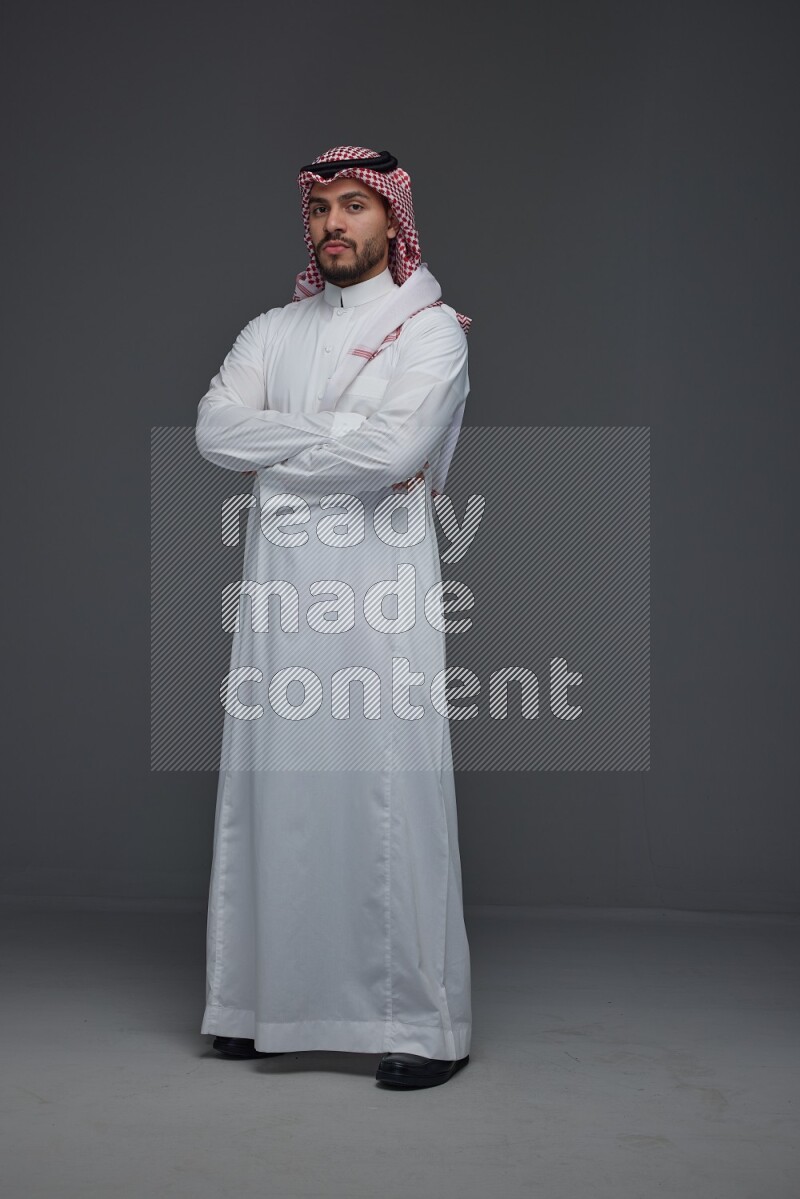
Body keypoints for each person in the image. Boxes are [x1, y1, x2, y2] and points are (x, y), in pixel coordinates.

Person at [194, 146, 473, 1089]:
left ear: (393, 218)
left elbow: (399, 450)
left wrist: (278, 462)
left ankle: (421, 1025)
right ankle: (253, 1007)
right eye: (320, 209)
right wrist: (342, 439)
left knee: (388, 792)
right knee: (273, 787)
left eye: (355, 205)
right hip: (280, 597)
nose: (334, 224)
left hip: (378, 596)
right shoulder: (271, 329)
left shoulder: (431, 334)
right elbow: (215, 429)